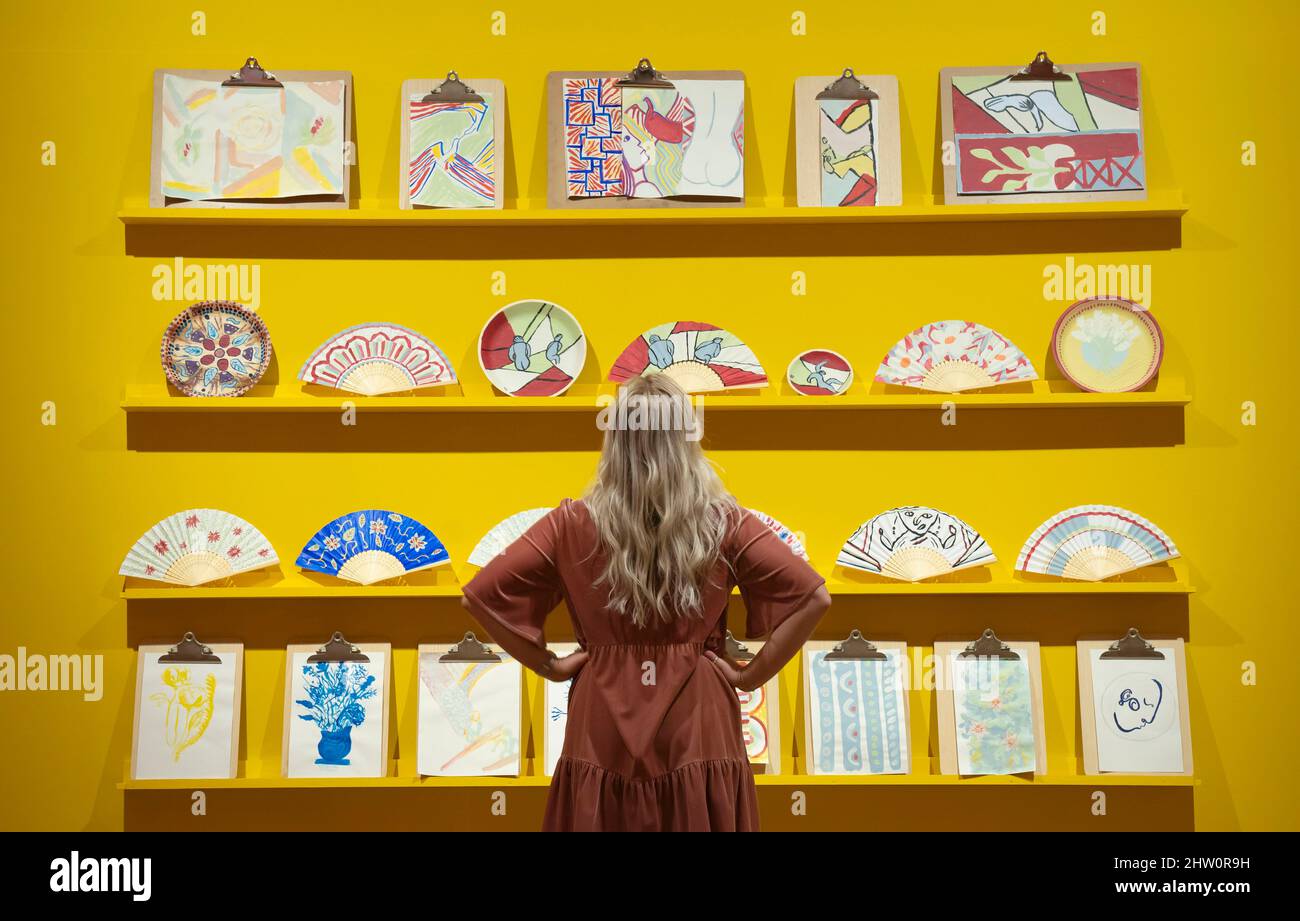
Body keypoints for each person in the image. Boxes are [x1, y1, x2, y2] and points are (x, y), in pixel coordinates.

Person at [461, 374, 831, 831]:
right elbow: (814, 596)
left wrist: (549, 666)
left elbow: (480, 596)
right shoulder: (724, 523)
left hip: (601, 719)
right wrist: (749, 676)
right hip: (699, 720)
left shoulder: (569, 524)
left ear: (614, 439)